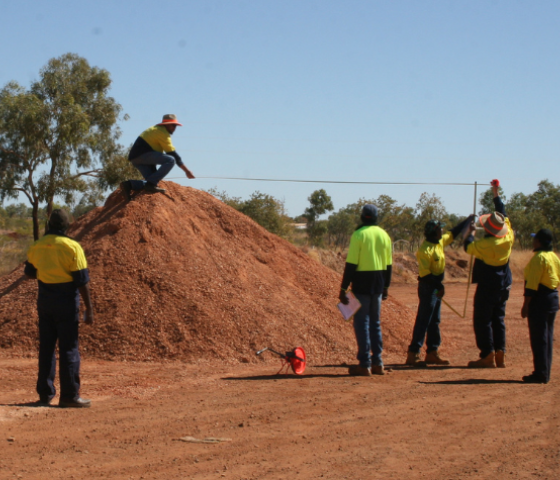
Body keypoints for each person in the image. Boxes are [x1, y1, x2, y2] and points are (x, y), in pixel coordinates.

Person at [24, 210, 94, 408]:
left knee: (46, 348)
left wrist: (46, 271)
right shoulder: (72, 246)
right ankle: (69, 396)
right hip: (66, 302)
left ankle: (45, 394)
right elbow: (82, 281)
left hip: (45, 301)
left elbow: (29, 272)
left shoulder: (37, 246)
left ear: (49, 226)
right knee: (69, 348)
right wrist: (89, 308)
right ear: (67, 227)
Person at [406, 215, 475, 366]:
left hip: (436, 287)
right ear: (434, 232)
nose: (442, 231)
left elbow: (453, 232)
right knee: (424, 320)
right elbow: (425, 274)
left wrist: (467, 220)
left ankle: (432, 352)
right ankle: (413, 353)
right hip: (428, 287)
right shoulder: (424, 250)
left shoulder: (440, 242)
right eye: (440, 229)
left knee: (434, 321)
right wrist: (439, 286)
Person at [464, 180, 515, 368]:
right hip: (504, 283)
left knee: (482, 319)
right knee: (498, 318)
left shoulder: (485, 245)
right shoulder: (508, 235)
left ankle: (487, 354)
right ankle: (500, 351)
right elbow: (503, 212)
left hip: (488, 284)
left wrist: (469, 232)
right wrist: (496, 192)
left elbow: (468, 247)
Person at [339, 204, 392, 376]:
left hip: (361, 284)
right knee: (375, 323)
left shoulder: (358, 234)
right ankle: (378, 362)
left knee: (362, 323)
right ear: (377, 217)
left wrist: (343, 287)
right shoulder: (384, 235)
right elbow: (388, 265)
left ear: (362, 217)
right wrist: (386, 287)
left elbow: (351, 264)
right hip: (378, 283)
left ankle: (364, 363)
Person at [121, 114, 195, 199]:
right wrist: (187, 171)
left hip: (136, 158)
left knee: (151, 181)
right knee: (171, 160)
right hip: (142, 156)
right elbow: (172, 153)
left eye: (175, 126)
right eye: (173, 125)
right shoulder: (162, 132)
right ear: (166, 125)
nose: (174, 128)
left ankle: (129, 184)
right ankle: (150, 184)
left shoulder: (154, 130)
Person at [521, 229, 559, 383]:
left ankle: (540, 373)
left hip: (540, 300)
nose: (533, 241)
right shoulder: (554, 257)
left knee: (538, 338)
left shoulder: (539, 258)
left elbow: (532, 284)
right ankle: (544, 372)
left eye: (535, 239)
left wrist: (526, 304)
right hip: (552, 297)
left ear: (540, 242)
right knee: (547, 337)